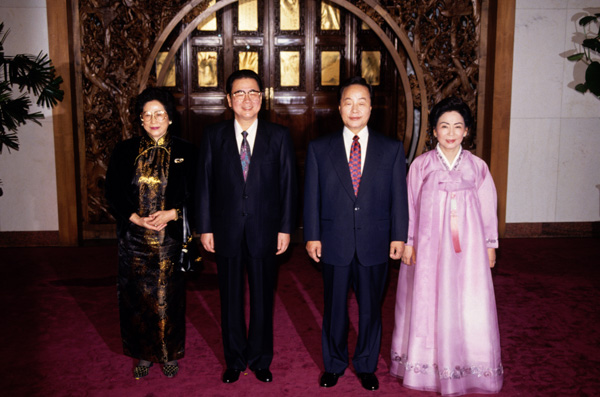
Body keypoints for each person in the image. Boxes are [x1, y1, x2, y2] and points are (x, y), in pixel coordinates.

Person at [390, 96, 503, 395]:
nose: (450, 133)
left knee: (467, 299)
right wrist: (410, 242)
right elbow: (410, 205)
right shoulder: (421, 165)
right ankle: (426, 364)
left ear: (467, 131)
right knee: (428, 299)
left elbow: (488, 207)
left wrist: (490, 245)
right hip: (428, 249)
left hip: (468, 250)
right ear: (434, 131)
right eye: (444, 126)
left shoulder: (478, 167)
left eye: (457, 126)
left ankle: (468, 364)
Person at [303, 76, 409, 391]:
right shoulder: (319, 148)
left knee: (371, 310)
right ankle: (333, 364)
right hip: (334, 242)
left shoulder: (391, 149)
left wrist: (398, 236)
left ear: (371, 108)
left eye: (362, 102)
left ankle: (366, 365)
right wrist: (312, 235)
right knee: (334, 308)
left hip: (375, 242)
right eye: (348, 102)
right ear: (339, 108)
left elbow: (398, 198)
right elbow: (311, 196)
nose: (355, 109)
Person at [195, 69, 297, 384]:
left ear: (262, 98)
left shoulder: (279, 136)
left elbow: (289, 186)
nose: (246, 99)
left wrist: (286, 228)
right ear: (228, 100)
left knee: (264, 298)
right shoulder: (213, 136)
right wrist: (205, 227)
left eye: (253, 92)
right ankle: (235, 360)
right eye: (239, 93)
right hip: (225, 231)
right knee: (230, 300)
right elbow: (204, 185)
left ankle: (261, 359)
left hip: (265, 231)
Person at [105, 87, 197, 379]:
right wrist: (135, 218)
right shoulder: (124, 150)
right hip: (134, 239)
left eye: (159, 114)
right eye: (147, 115)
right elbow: (113, 192)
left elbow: (200, 192)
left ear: (170, 118)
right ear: (140, 120)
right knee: (135, 297)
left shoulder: (186, 151)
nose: (153, 119)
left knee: (169, 297)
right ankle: (142, 354)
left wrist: (174, 213)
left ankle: (169, 353)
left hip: (169, 241)